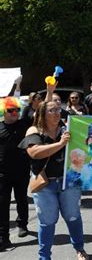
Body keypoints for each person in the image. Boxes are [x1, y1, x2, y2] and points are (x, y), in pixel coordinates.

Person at [19, 100, 88, 260]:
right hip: (45, 185)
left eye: (58, 109)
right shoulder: (34, 130)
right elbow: (35, 153)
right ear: (43, 114)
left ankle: (80, 249)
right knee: (47, 221)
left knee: (73, 216)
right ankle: (44, 257)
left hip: (68, 182)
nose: (57, 113)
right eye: (52, 111)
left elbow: (85, 144)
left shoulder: (67, 129)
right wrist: (60, 144)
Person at [0, 97, 31, 250]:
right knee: (2, 205)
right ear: (3, 112)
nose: (14, 113)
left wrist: (50, 92)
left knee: (21, 199)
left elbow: (40, 111)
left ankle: (22, 224)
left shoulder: (24, 124)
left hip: (21, 171)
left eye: (16, 110)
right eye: (10, 110)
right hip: (2, 174)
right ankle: (3, 237)